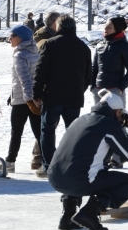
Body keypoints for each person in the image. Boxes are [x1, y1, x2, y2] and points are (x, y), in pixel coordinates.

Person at [48, 89, 128, 230]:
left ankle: (67, 217)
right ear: (116, 111)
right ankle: (90, 213)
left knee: (81, 166)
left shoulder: (81, 120)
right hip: (79, 181)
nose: (121, 118)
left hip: (55, 178)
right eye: (121, 114)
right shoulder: (108, 124)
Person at [32, 14, 92, 178]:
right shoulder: (83, 47)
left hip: (52, 96)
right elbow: (89, 75)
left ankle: (49, 166)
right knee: (72, 133)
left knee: (48, 131)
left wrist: (36, 93)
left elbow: (41, 71)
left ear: (58, 27)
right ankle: (71, 164)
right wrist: (80, 89)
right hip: (74, 98)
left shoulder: (51, 44)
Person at [5, 25, 41, 173]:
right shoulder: (36, 52)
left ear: (20, 38)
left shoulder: (19, 55)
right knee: (39, 133)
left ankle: (10, 162)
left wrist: (28, 99)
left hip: (23, 100)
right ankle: (47, 161)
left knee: (16, 132)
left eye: (12, 36)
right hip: (34, 98)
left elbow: (24, 79)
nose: (10, 39)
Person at [29, 11, 60, 169]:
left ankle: (39, 156)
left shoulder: (45, 36)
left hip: (45, 86)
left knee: (48, 124)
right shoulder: (43, 38)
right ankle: (39, 157)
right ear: (54, 22)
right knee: (47, 125)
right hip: (45, 87)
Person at [91, 16, 128, 108]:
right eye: (105, 25)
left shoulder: (124, 46)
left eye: (109, 26)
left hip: (114, 90)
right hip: (98, 90)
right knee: (99, 120)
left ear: (117, 29)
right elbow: (94, 68)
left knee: (117, 120)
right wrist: (92, 86)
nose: (105, 28)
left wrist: (120, 88)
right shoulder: (100, 45)